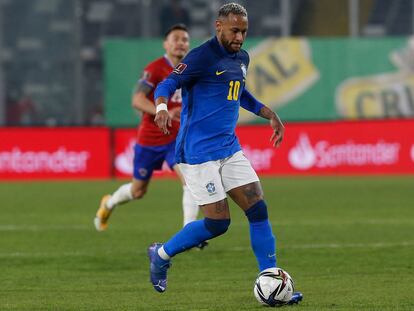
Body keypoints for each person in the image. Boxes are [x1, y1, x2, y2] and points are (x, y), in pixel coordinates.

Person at [148, 3, 303, 304]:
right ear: (219, 26)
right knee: (218, 223)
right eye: (235, 30)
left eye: (244, 31)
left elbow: (239, 91)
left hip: (228, 147)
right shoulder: (201, 57)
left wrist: (269, 112)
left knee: (258, 208)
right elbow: (167, 83)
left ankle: (271, 280)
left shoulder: (242, 58)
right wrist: (162, 107)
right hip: (197, 153)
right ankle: (161, 253)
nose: (240, 37)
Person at [95, 24, 204, 243]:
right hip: (150, 139)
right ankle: (109, 203)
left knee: (190, 180)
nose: (181, 42)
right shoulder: (155, 68)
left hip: (176, 139)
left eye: (185, 39)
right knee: (138, 191)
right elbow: (137, 100)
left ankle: (189, 232)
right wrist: (163, 110)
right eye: (176, 38)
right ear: (166, 44)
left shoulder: (191, 70)